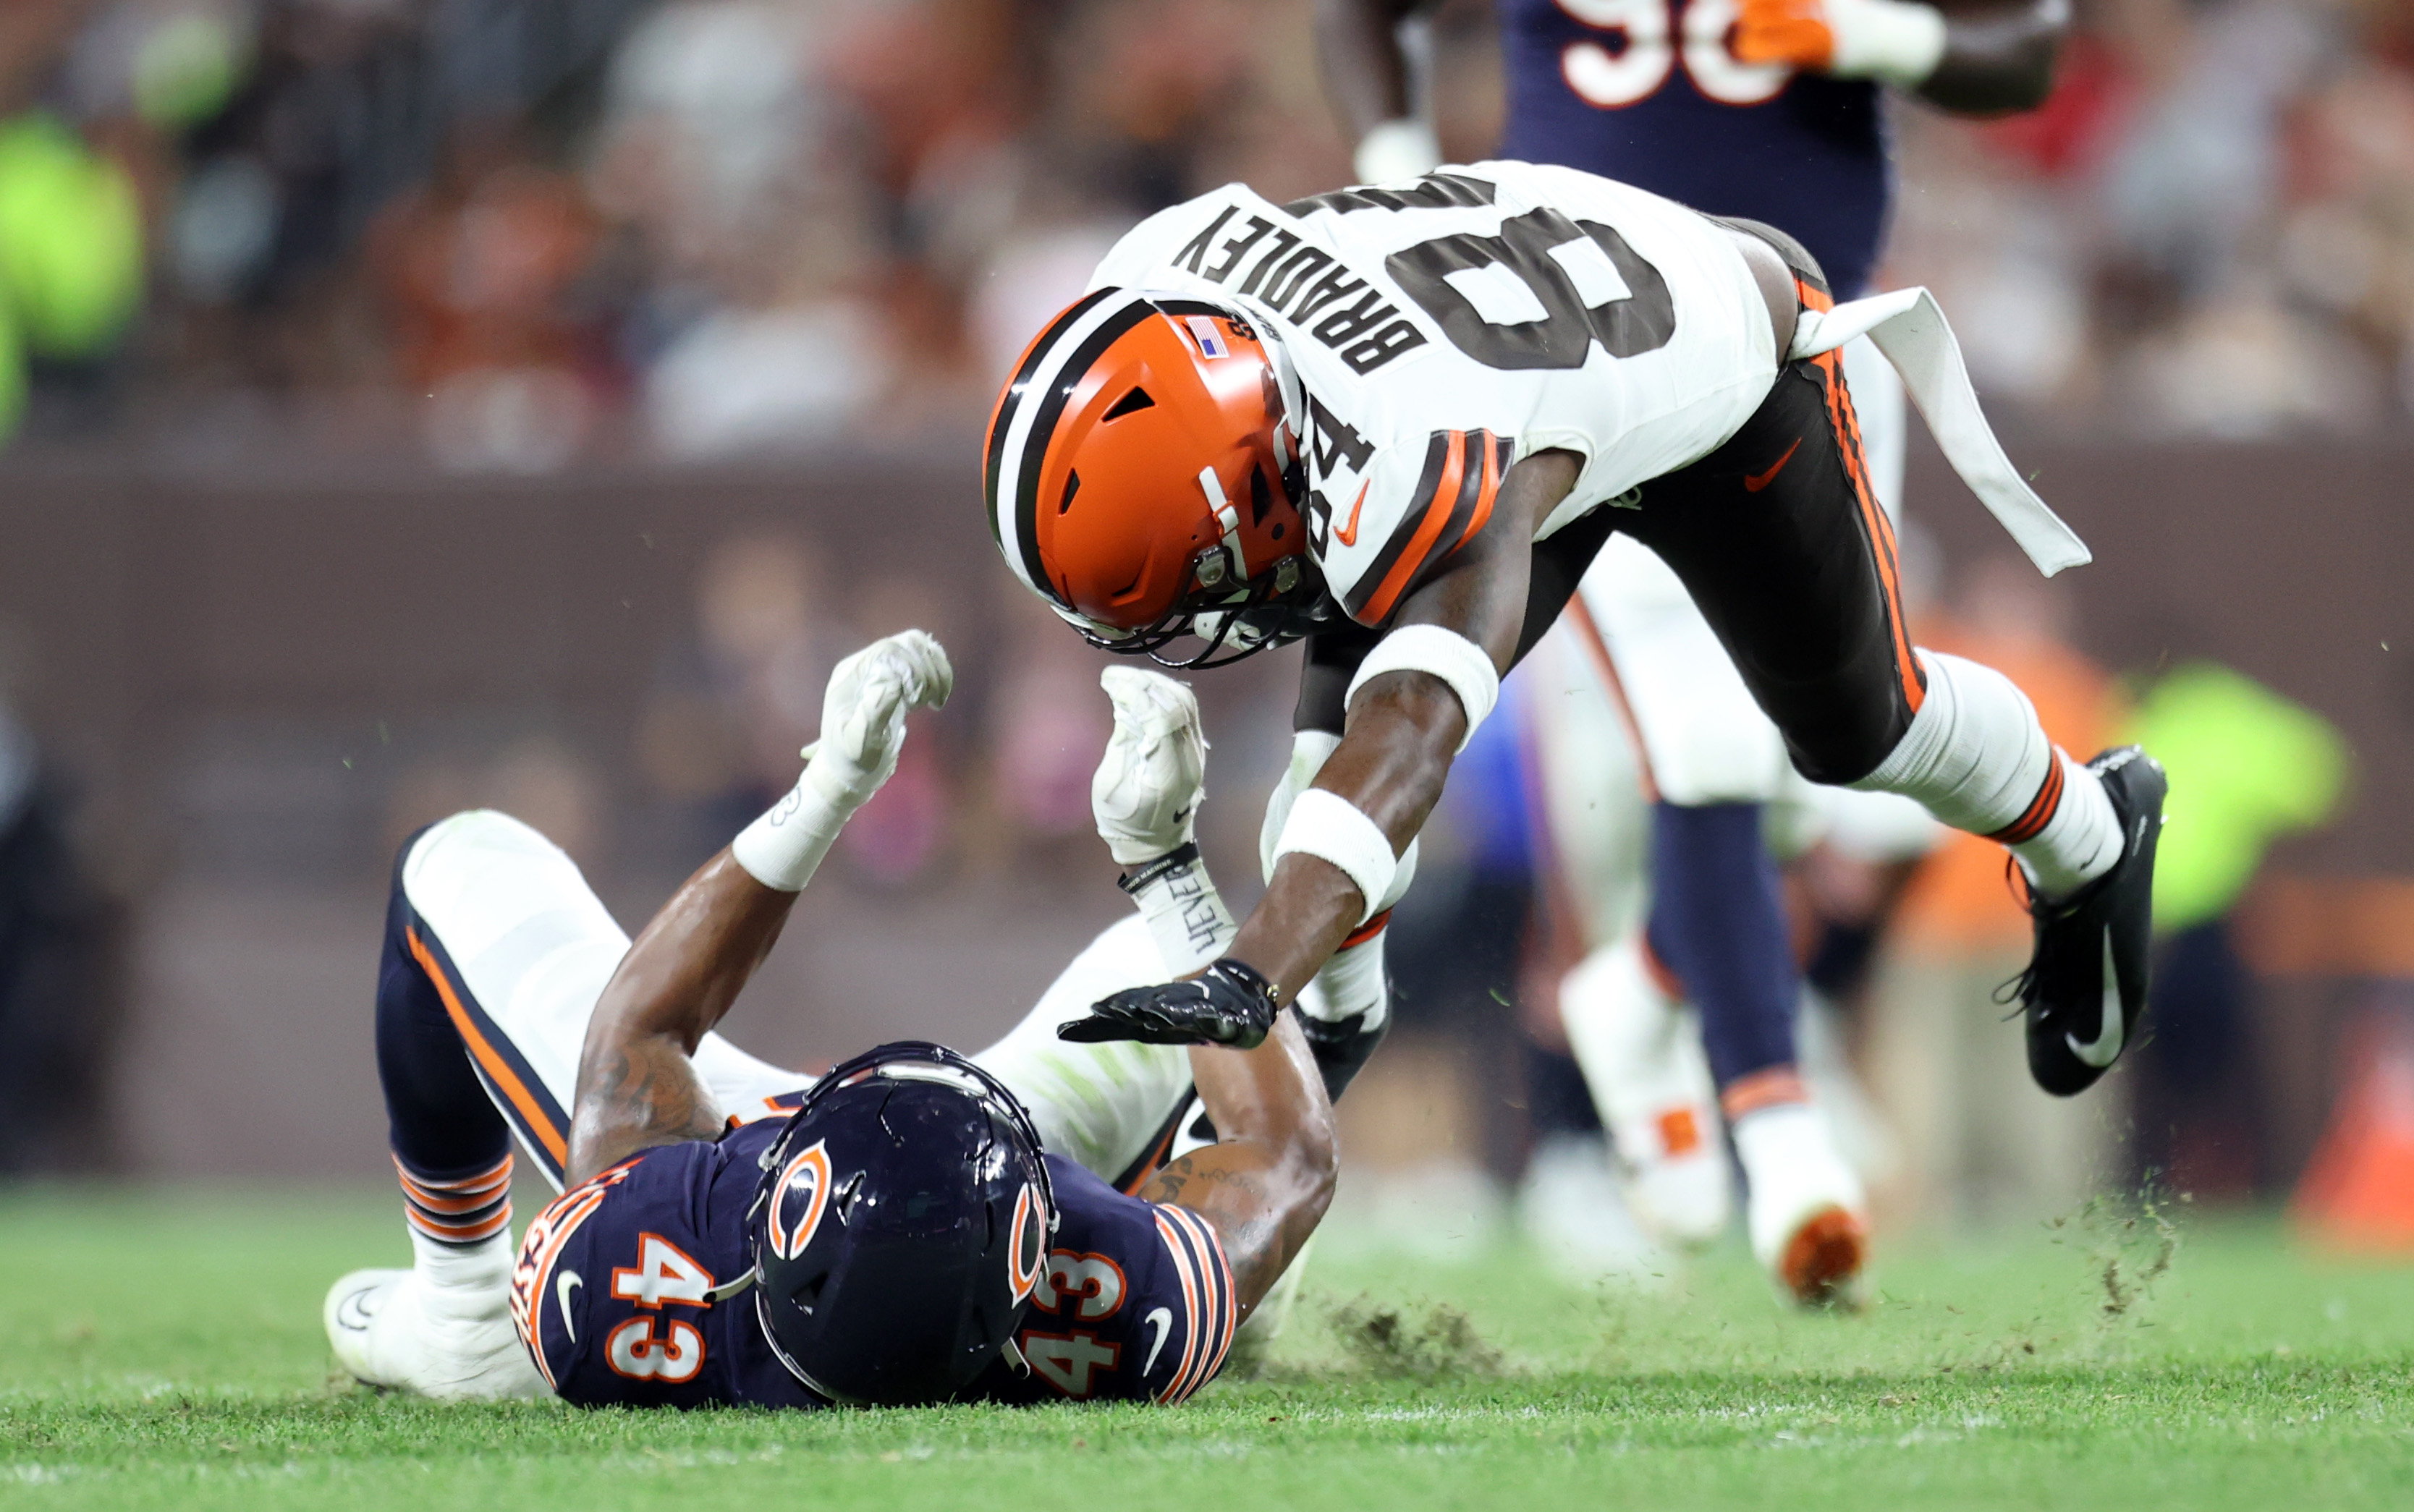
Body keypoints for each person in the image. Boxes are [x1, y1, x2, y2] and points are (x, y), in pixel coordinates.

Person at [979, 162, 2165, 1238]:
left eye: (1197, 582)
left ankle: (2092, 828)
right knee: (1315, 799)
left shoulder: (1424, 457)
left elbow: (1412, 740)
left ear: (1257, 481)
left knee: (1862, 730)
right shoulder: (1161, 287)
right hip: (1510, 369)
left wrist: (1248, 973)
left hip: (1723, 366)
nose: (1198, 621)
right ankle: (1305, 1075)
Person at [1313, 0, 2067, 1302]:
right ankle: (1782, 1138)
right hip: (1606, 368)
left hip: (1821, 348)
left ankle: (1642, 990)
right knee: (1707, 742)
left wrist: (1859, 34)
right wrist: (1399, 171)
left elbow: (2026, 53)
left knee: (1836, 775)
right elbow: (1364, 15)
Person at [323, 634, 1344, 1406]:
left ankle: (459, 1303)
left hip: (749, 1188)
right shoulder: (1125, 1301)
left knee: (458, 860)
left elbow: (635, 1036)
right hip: (1024, 1203)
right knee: (1202, 971)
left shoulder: (619, 1276)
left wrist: (822, 793)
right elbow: (1289, 1151)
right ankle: (1248, 1284)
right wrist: (1164, 862)